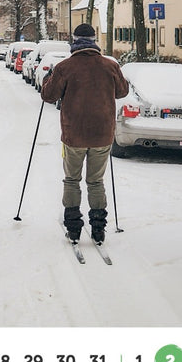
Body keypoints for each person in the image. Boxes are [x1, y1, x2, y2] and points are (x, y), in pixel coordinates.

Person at [40, 23, 129, 244]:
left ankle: (73, 227)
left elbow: (48, 96)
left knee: (71, 179)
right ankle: (98, 227)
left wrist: (47, 80)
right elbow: (122, 91)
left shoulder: (65, 67)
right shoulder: (110, 66)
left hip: (74, 135)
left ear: (75, 40)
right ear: (94, 40)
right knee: (96, 181)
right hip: (102, 134)